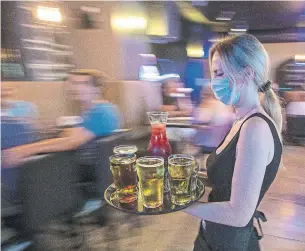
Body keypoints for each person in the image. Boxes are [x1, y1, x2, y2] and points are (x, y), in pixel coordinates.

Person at [184, 34, 283, 251]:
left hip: (228, 243)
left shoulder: (254, 128)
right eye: (213, 74)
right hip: (214, 234)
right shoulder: (241, 120)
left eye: (219, 73)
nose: (214, 82)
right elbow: (228, 180)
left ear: (247, 73)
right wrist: (180, 179)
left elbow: (238, 214)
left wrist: (182, 205)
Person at [2, 70, 120, 167]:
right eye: (73, 83)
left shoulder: (101, 111)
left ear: (97, 89)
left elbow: (70, 142)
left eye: (83, 84)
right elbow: (76, 134)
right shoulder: (97, 109)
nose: (75, 88)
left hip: (81, 168)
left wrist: (23, 150)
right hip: (83, 163)